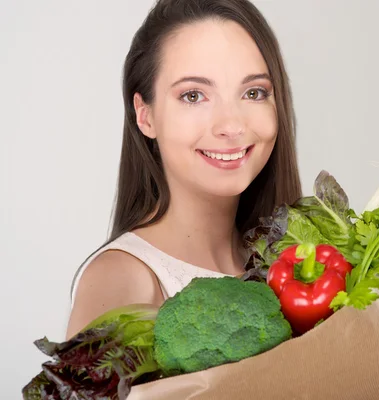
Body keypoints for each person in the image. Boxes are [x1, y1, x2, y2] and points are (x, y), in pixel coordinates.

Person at [66, 0, 302, 339]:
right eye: (193, 96)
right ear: (145, 115)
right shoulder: (122, 278)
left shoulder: (295, 266)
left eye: (253, 92)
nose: (231, 126)